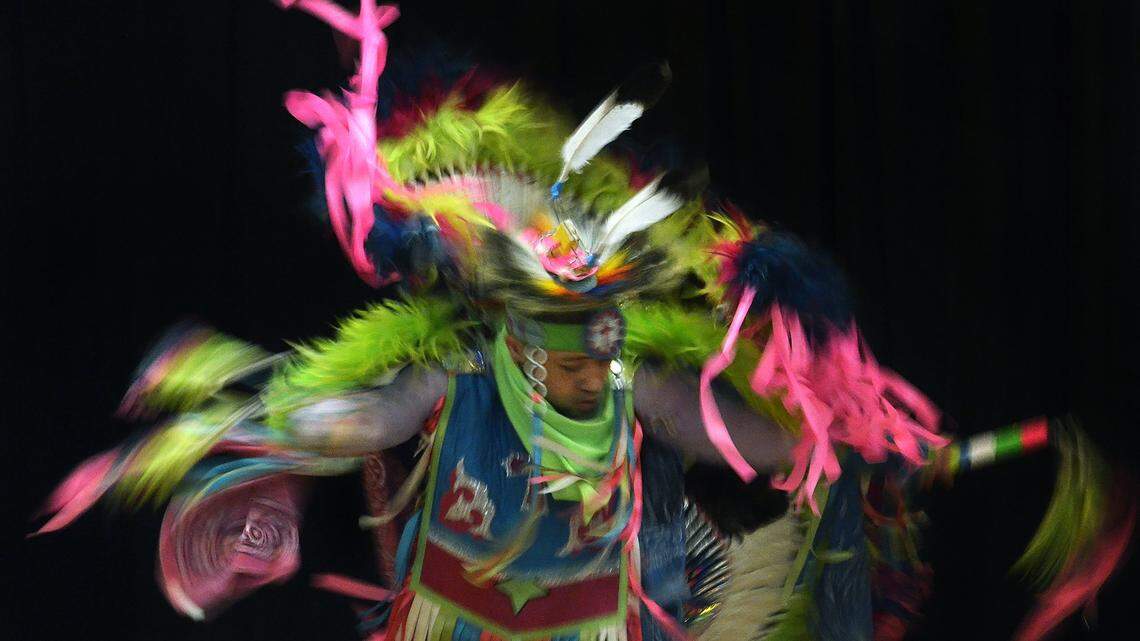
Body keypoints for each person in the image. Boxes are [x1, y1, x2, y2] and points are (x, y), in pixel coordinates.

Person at [33, 2, 1132, 641]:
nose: (574, 306)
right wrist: (255, 429)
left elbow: (750, 441)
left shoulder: (639, 383)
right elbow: (357, 418)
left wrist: (870, 443)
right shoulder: (457, 365)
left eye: (591, 287)